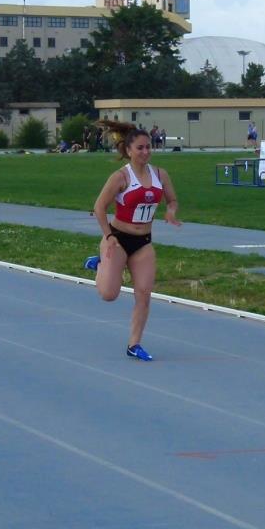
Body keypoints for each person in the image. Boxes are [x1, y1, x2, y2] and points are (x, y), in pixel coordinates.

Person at [83, 121, 181, 361]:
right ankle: (100, 263)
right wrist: (108, 237)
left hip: (143, 243)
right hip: (117, 240)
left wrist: (170, 212)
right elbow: (99, 207)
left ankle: (134, 344)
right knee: (109, 294)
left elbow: (172, 200)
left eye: (148, 147)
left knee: (144, 293)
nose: (146, 152)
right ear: (128, 150)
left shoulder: (160, 175)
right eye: (140, 148)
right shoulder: (120, 177)